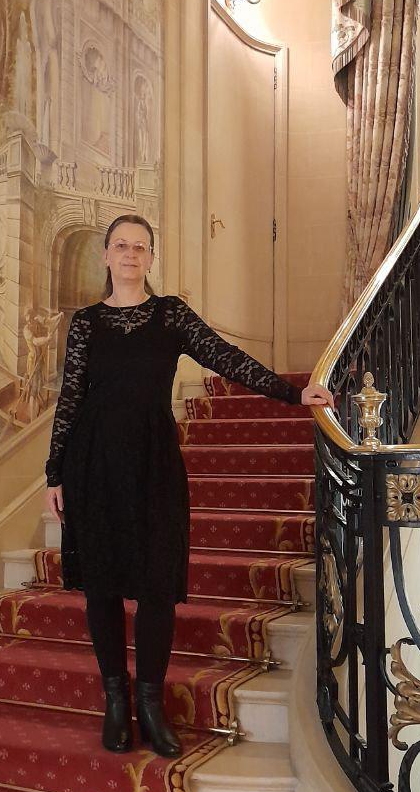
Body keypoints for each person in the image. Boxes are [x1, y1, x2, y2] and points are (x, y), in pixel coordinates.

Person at [44, 213, 334, 758]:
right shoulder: (86, 323)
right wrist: (54, 473)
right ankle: (116, 703)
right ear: (106, 255)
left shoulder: (170, 314)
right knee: (102, 588)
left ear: (151, 257)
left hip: (154, 463)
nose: (130, 254)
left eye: (140, 247)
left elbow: (225, 357)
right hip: (93, 464)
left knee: (157, 587)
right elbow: (71, 396)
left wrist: (291, 393)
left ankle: (151, 705)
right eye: (121, 246)